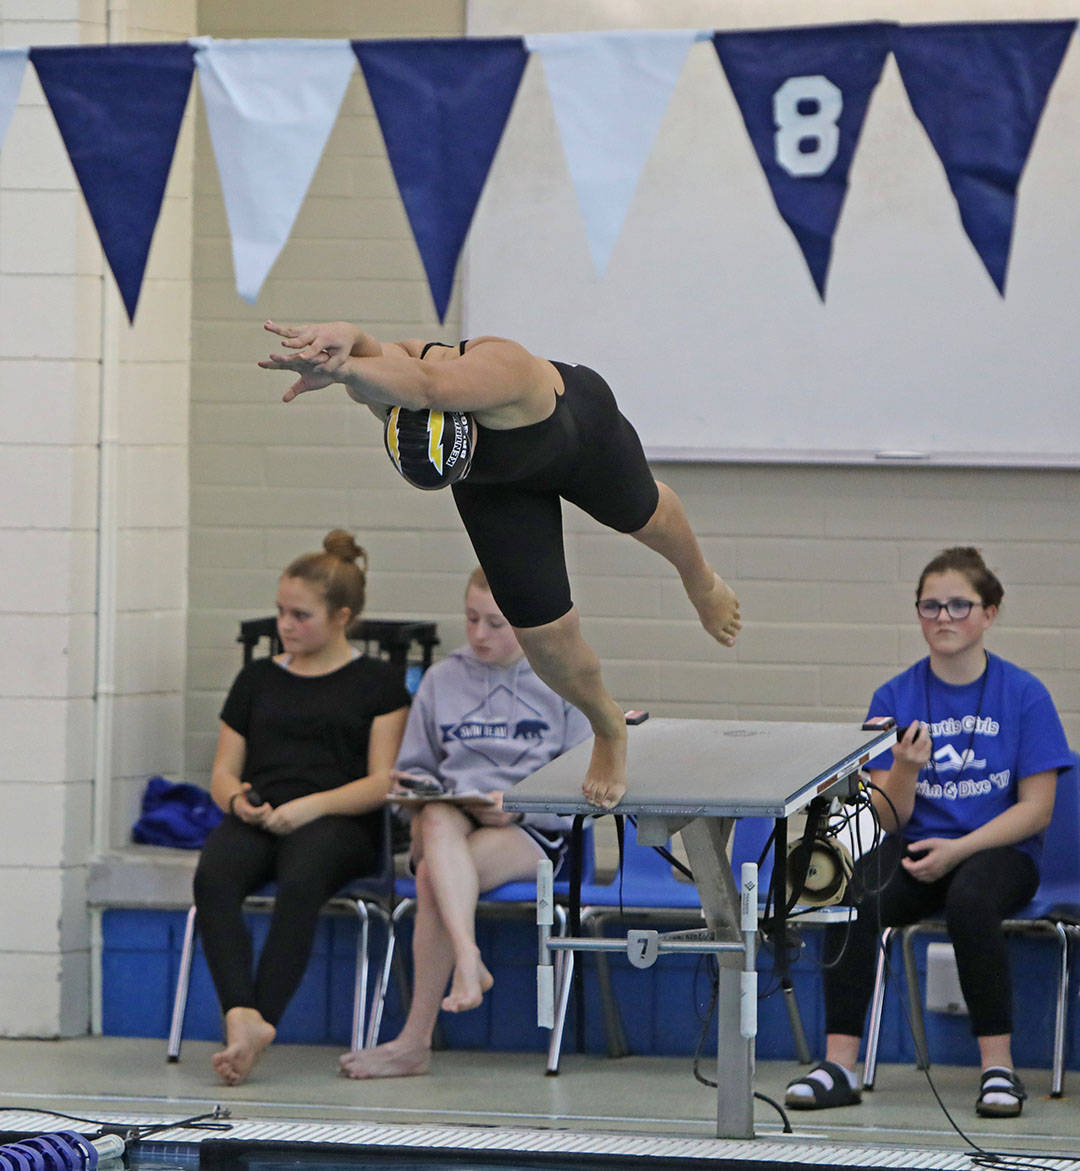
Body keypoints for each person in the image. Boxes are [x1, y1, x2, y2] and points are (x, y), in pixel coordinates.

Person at [258, 320, 741, 811]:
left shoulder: (500, 368)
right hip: (497, 482)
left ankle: (699, 579)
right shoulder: (390, 397)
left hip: (577, 437)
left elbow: (429, 385)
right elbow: (375, 349)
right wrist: (344, 353)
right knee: (542, 636)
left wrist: (346, 370)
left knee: (644, 517)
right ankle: (608, 725)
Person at [784, 547, 1071, 1119]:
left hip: (998, 851)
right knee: (849, 890)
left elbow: (1037, 811)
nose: (943, 617)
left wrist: (959, 850)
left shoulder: (1025, 695)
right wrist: (908, 770)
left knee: (970, 899)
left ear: (989, 613)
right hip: (916, 849)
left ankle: (998, 1070)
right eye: (930, 605)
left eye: (959, 605)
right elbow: (887, 819)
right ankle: (838, 1064)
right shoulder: (894, 697)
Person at [339, 567, 590, 1079]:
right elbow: (412, 770)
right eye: (471, 619)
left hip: (529, 829)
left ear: (525, 623)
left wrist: (519, 806)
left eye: (495, 624)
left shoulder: (564, 679)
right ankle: (467, 958)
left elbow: (583, 788)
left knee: (432, 874)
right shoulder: (442, 679)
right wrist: (419, 792)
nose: (478, 635)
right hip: (453, 815)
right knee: (433, 815)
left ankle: (414, 1041)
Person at [193, 530, 410, 1086]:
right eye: (281, 613)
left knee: (302, 875)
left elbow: (383, 780)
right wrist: (235, 799)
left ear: (341, 616)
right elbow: (222, 770)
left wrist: (309, 808)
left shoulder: (378, 683)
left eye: (300, 615)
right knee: (214, 876)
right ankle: (243, 1017)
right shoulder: (257, 678)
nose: (285, 626)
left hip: (339, 822)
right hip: (262, 815)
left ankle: (258, 1024)